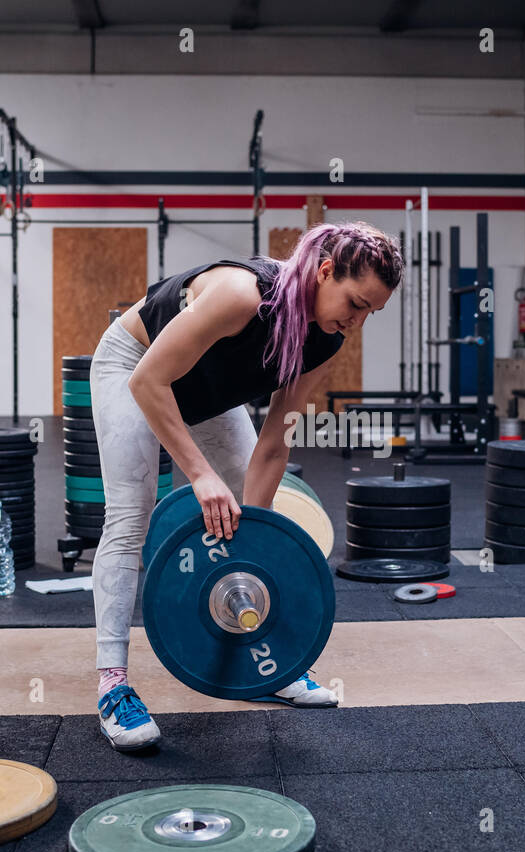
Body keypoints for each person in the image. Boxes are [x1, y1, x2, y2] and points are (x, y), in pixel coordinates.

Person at [88, 221, 402, 751]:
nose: (358, 321)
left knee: (250, 514)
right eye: (356, 302)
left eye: (373, 311)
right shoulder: (241, 294)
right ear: (324, 271)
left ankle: (268, 668)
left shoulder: (324, 341)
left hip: (209, 393)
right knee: (130, 512)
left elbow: (274, 446)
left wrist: (255, 541)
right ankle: (112, 686)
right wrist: (199, 475)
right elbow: (149, 382)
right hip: (134, 367)